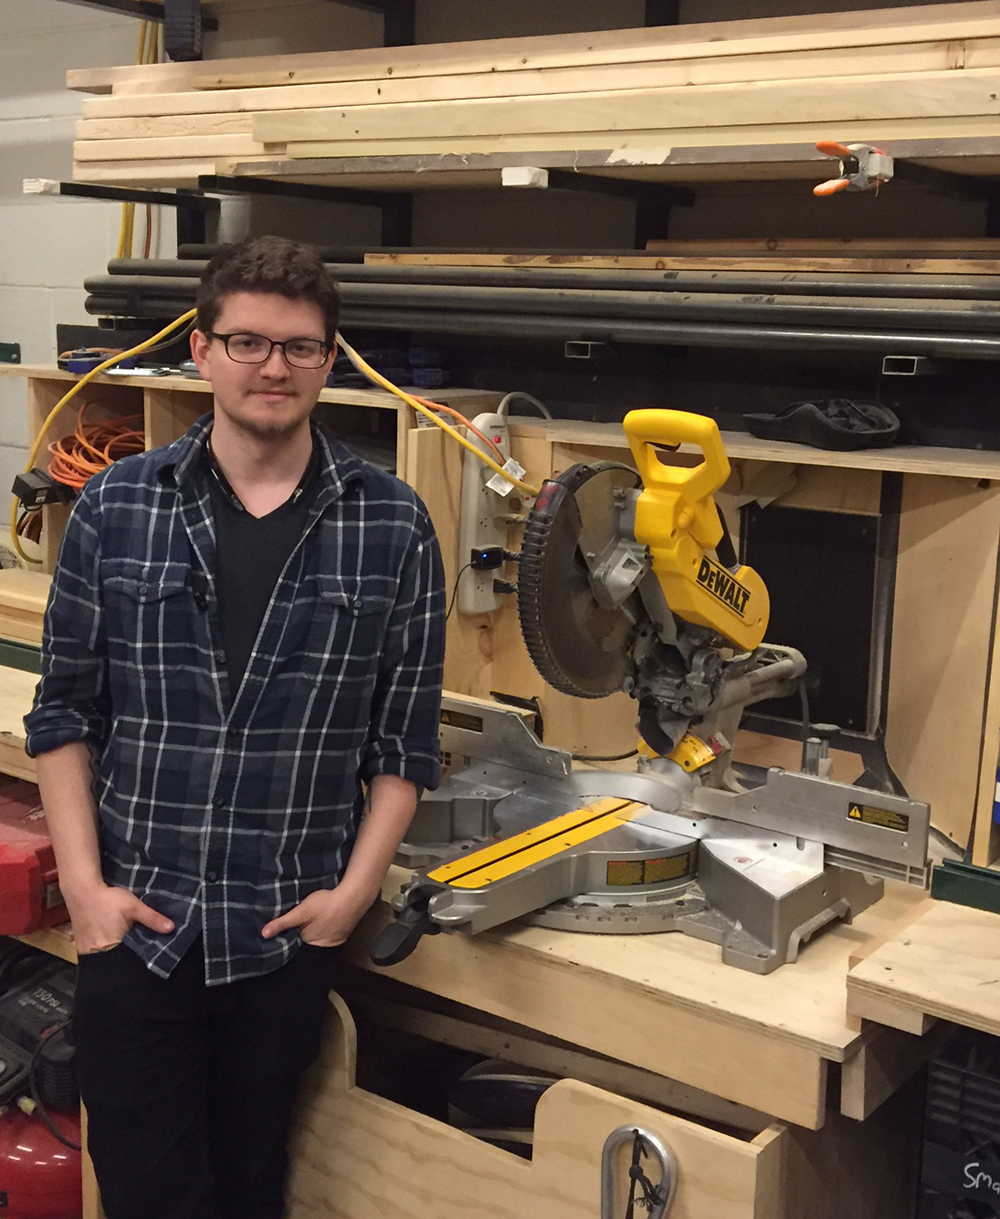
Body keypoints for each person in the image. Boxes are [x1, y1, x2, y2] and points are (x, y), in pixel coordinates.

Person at [24, 235, 446, 1219]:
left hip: (282, 940)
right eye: (248, 342)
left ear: (328, 361)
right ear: (203, 353)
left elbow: (404, 741)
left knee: (254, 1191)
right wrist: (85, 889)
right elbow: (65, 711)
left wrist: (353, 895)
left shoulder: (392, 524)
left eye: (299, 347)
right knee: (149, 1198)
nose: (273, 367)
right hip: (141, 927)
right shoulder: (118, 504)